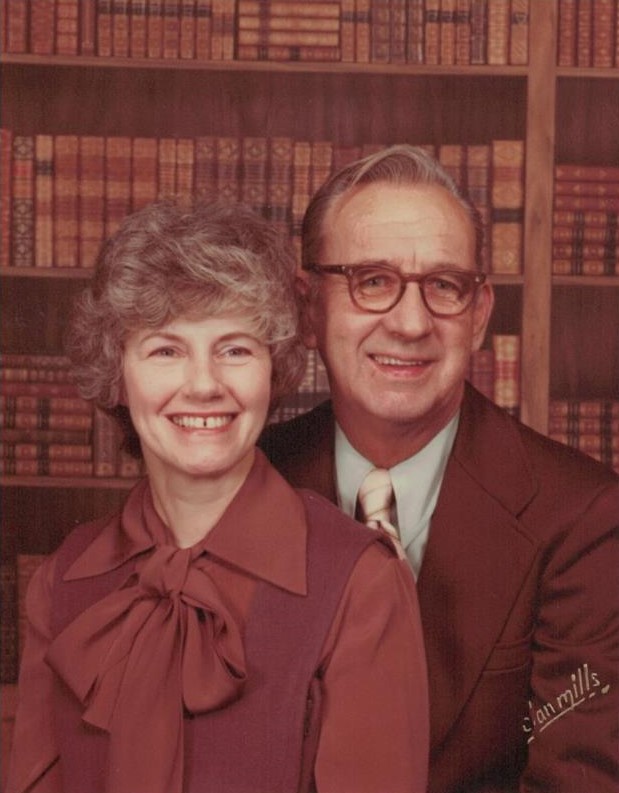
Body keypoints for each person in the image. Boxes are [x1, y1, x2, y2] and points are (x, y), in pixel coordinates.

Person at [6, 200, 430, 793]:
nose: (204, 385)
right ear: (118, 375)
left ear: (272, 369)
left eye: (235, 349)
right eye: (166, 350)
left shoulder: (362, 583)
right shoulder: (61, 582)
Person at [260, 144, 619, 792]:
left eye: (444, 286)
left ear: (478, 316)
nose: (410, 322)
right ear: (308, 308)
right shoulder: (250, 484)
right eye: (372, 281)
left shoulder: (581, 518)